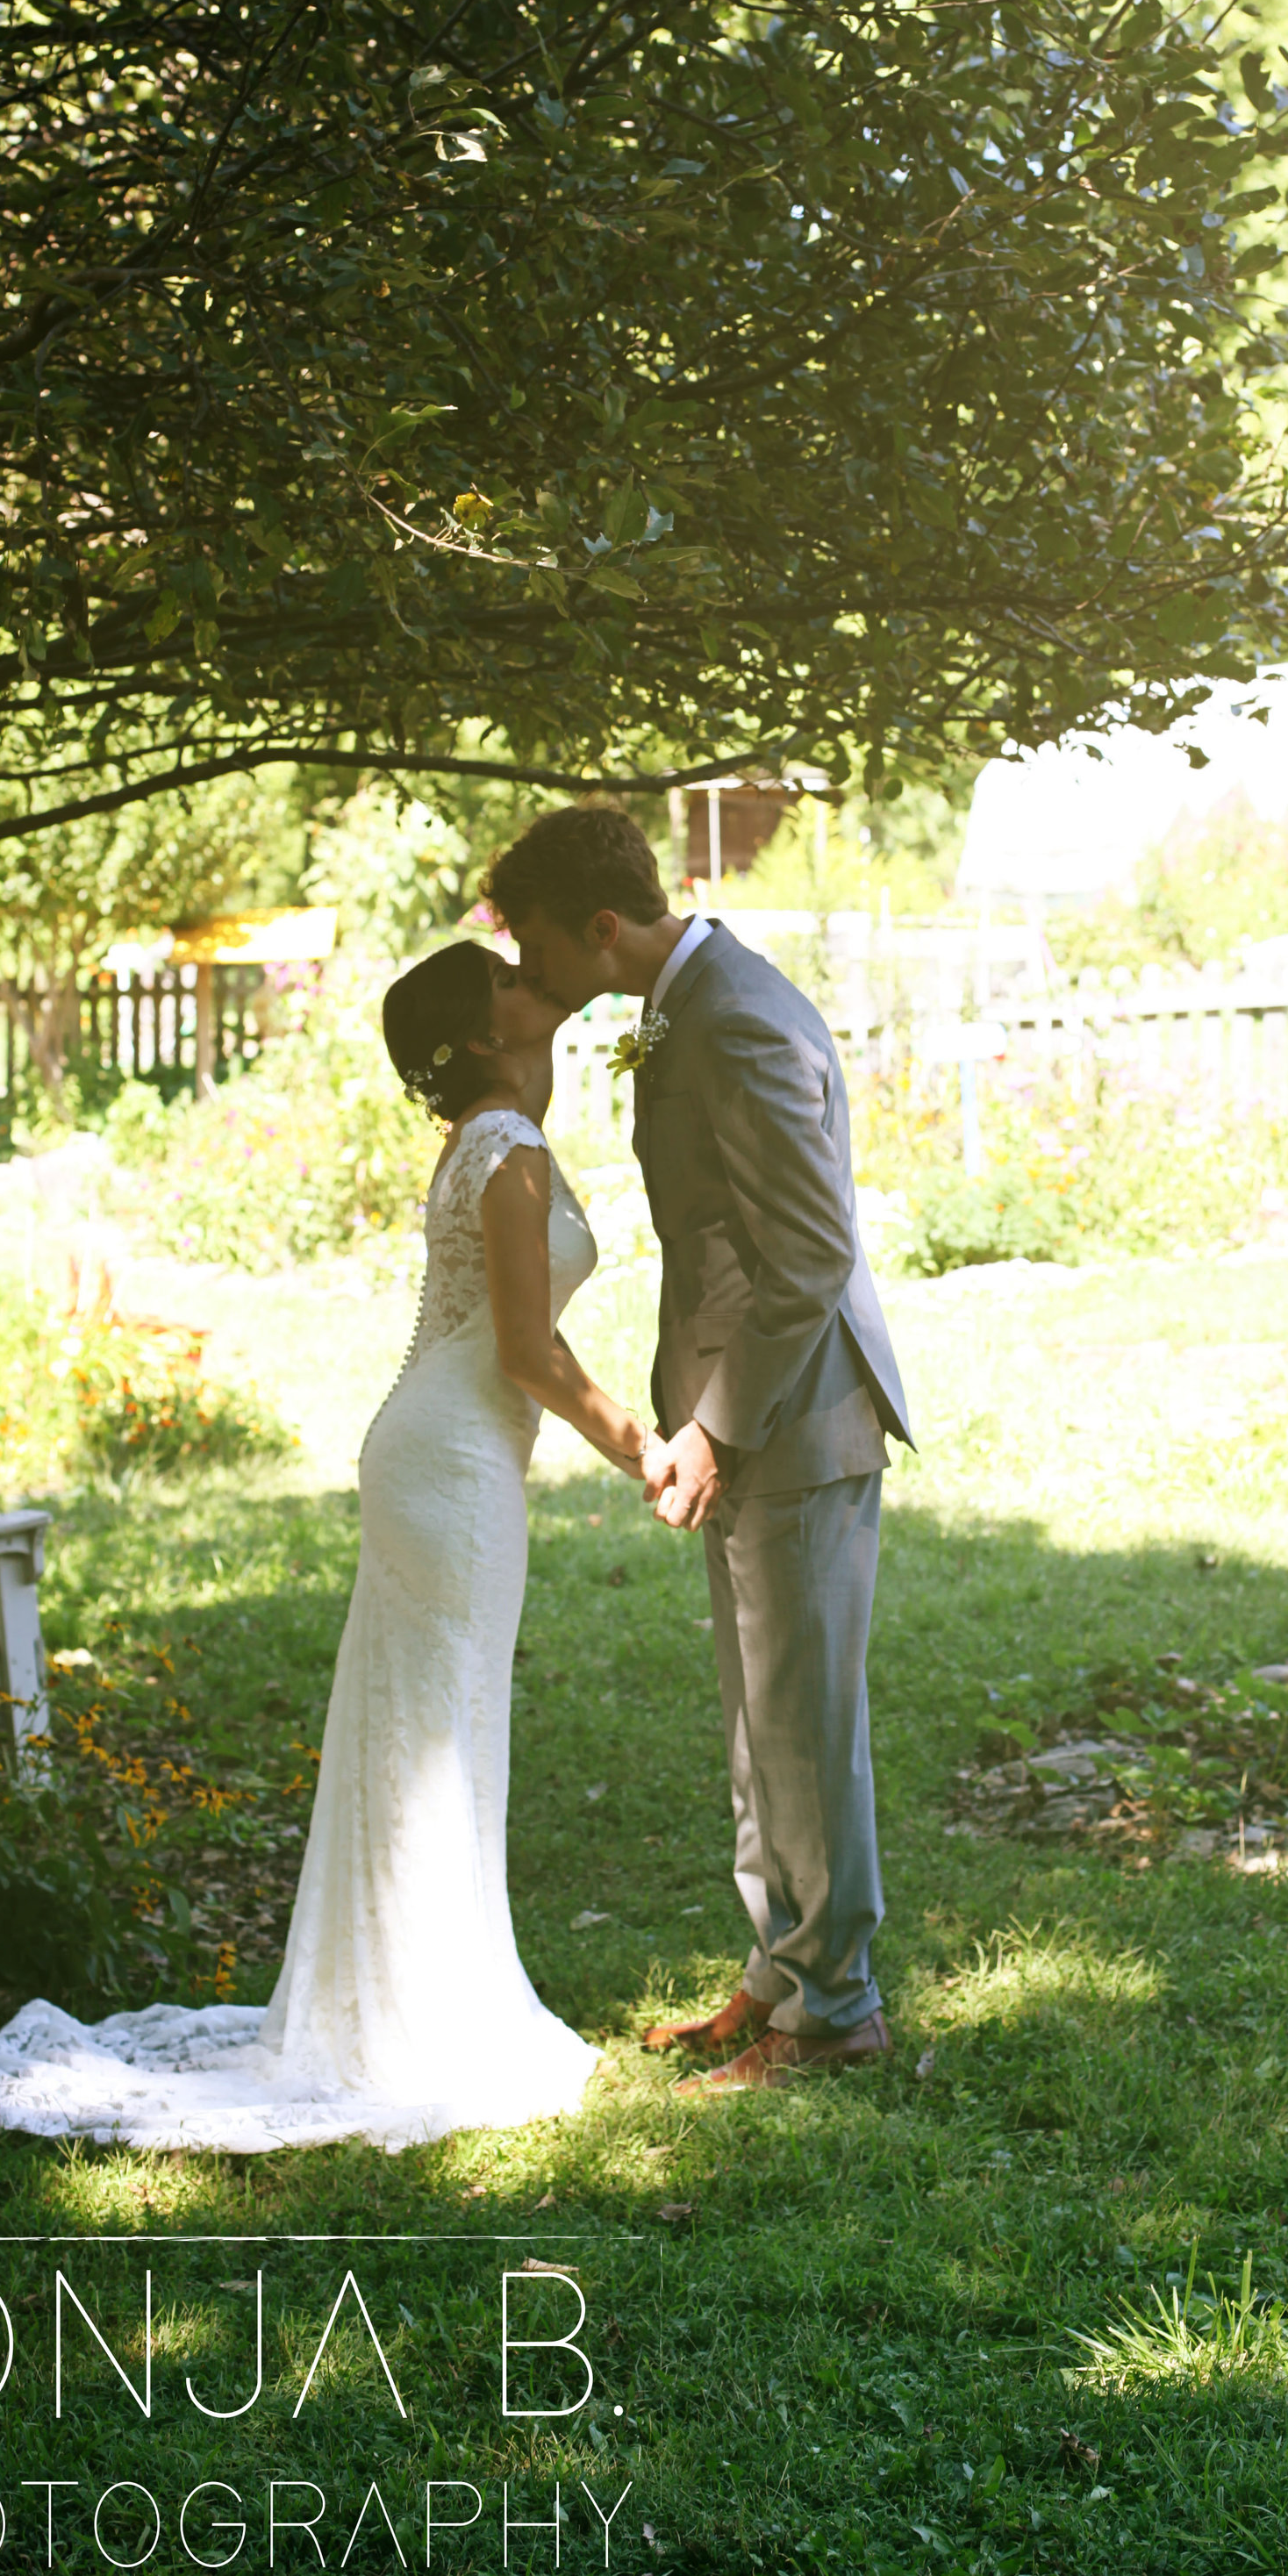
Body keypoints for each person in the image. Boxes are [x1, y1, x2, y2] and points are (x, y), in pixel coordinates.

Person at [0, 941, 640, 2152]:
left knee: (439, 1722)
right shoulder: (505, 1151)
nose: (535, 986)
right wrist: (646, 1445)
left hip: (442, 1450)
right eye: (510, 983)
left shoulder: (493, 1130)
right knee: (438, 1724)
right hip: (454, 1461)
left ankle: (429, 1998)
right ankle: (425, 2020)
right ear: (476, 1033)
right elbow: (530, 1350)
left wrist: (549, 1029)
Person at [488, 803, 912, 2096]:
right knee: (756, 1721)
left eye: (533, 945)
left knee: (804, 1722)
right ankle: (778, 1976)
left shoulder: (736, 1011)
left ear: (600, 929)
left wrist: (712, 1423)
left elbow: (809, 1257)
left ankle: (837, 2009)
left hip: (794, 1414)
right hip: (737, 1412)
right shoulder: (688, 1001)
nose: (525, 973)